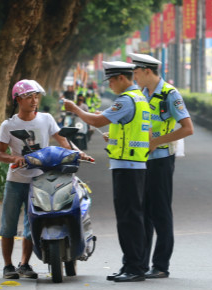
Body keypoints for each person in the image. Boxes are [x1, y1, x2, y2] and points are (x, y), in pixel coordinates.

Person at [63, 61, 151, 283]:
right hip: (133, 164)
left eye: (111, 80)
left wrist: (75, 109)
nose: (110, 85)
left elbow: (97, 120)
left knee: (128, 219)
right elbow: (133, 131)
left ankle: (134, 268)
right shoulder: (140, 98)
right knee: (132, 218)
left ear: (122, 78)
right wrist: (112, 136)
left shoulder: (126, 100)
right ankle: (133, 264)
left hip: (127, 166)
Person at [0, 79, 91, 280]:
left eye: (36, 96)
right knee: (8, 225)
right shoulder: (9, 125)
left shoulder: (46, 119)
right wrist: (15, 158)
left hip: (40, 180)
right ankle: (7, 265)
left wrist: (78, 153)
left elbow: (63, 141)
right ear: (18, 100)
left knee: (34, 224)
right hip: (16, 181)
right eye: (28, 96)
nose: (34, 100)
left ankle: (24, 264)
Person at [129, 53, 194, 279]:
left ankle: (161, 264)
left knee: (160, 213)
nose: (134, 77)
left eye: (136, 73)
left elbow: (187, 128)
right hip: (143, 160)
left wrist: (156, 142)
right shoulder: (141, 95)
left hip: (162, 160)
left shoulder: (170, 95)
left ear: (148, 71)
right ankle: (143, 263)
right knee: (144, 211)